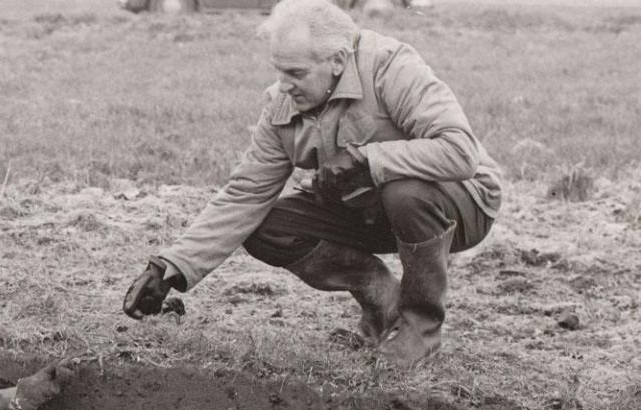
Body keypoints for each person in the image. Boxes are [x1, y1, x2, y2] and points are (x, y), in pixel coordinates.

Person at [121, 0, 502, 368]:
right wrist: (170, 267)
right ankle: (382, 299)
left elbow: (460, 151)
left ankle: (420, 326)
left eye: (297, 74)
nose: (284, 86)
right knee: (265, 227)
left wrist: (372, 160)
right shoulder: (281, 107)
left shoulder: (390, 67)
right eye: (279, 71)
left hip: (461, 201)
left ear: (338, 60)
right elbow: (245, 194)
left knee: (404, 192)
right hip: (368, 207)